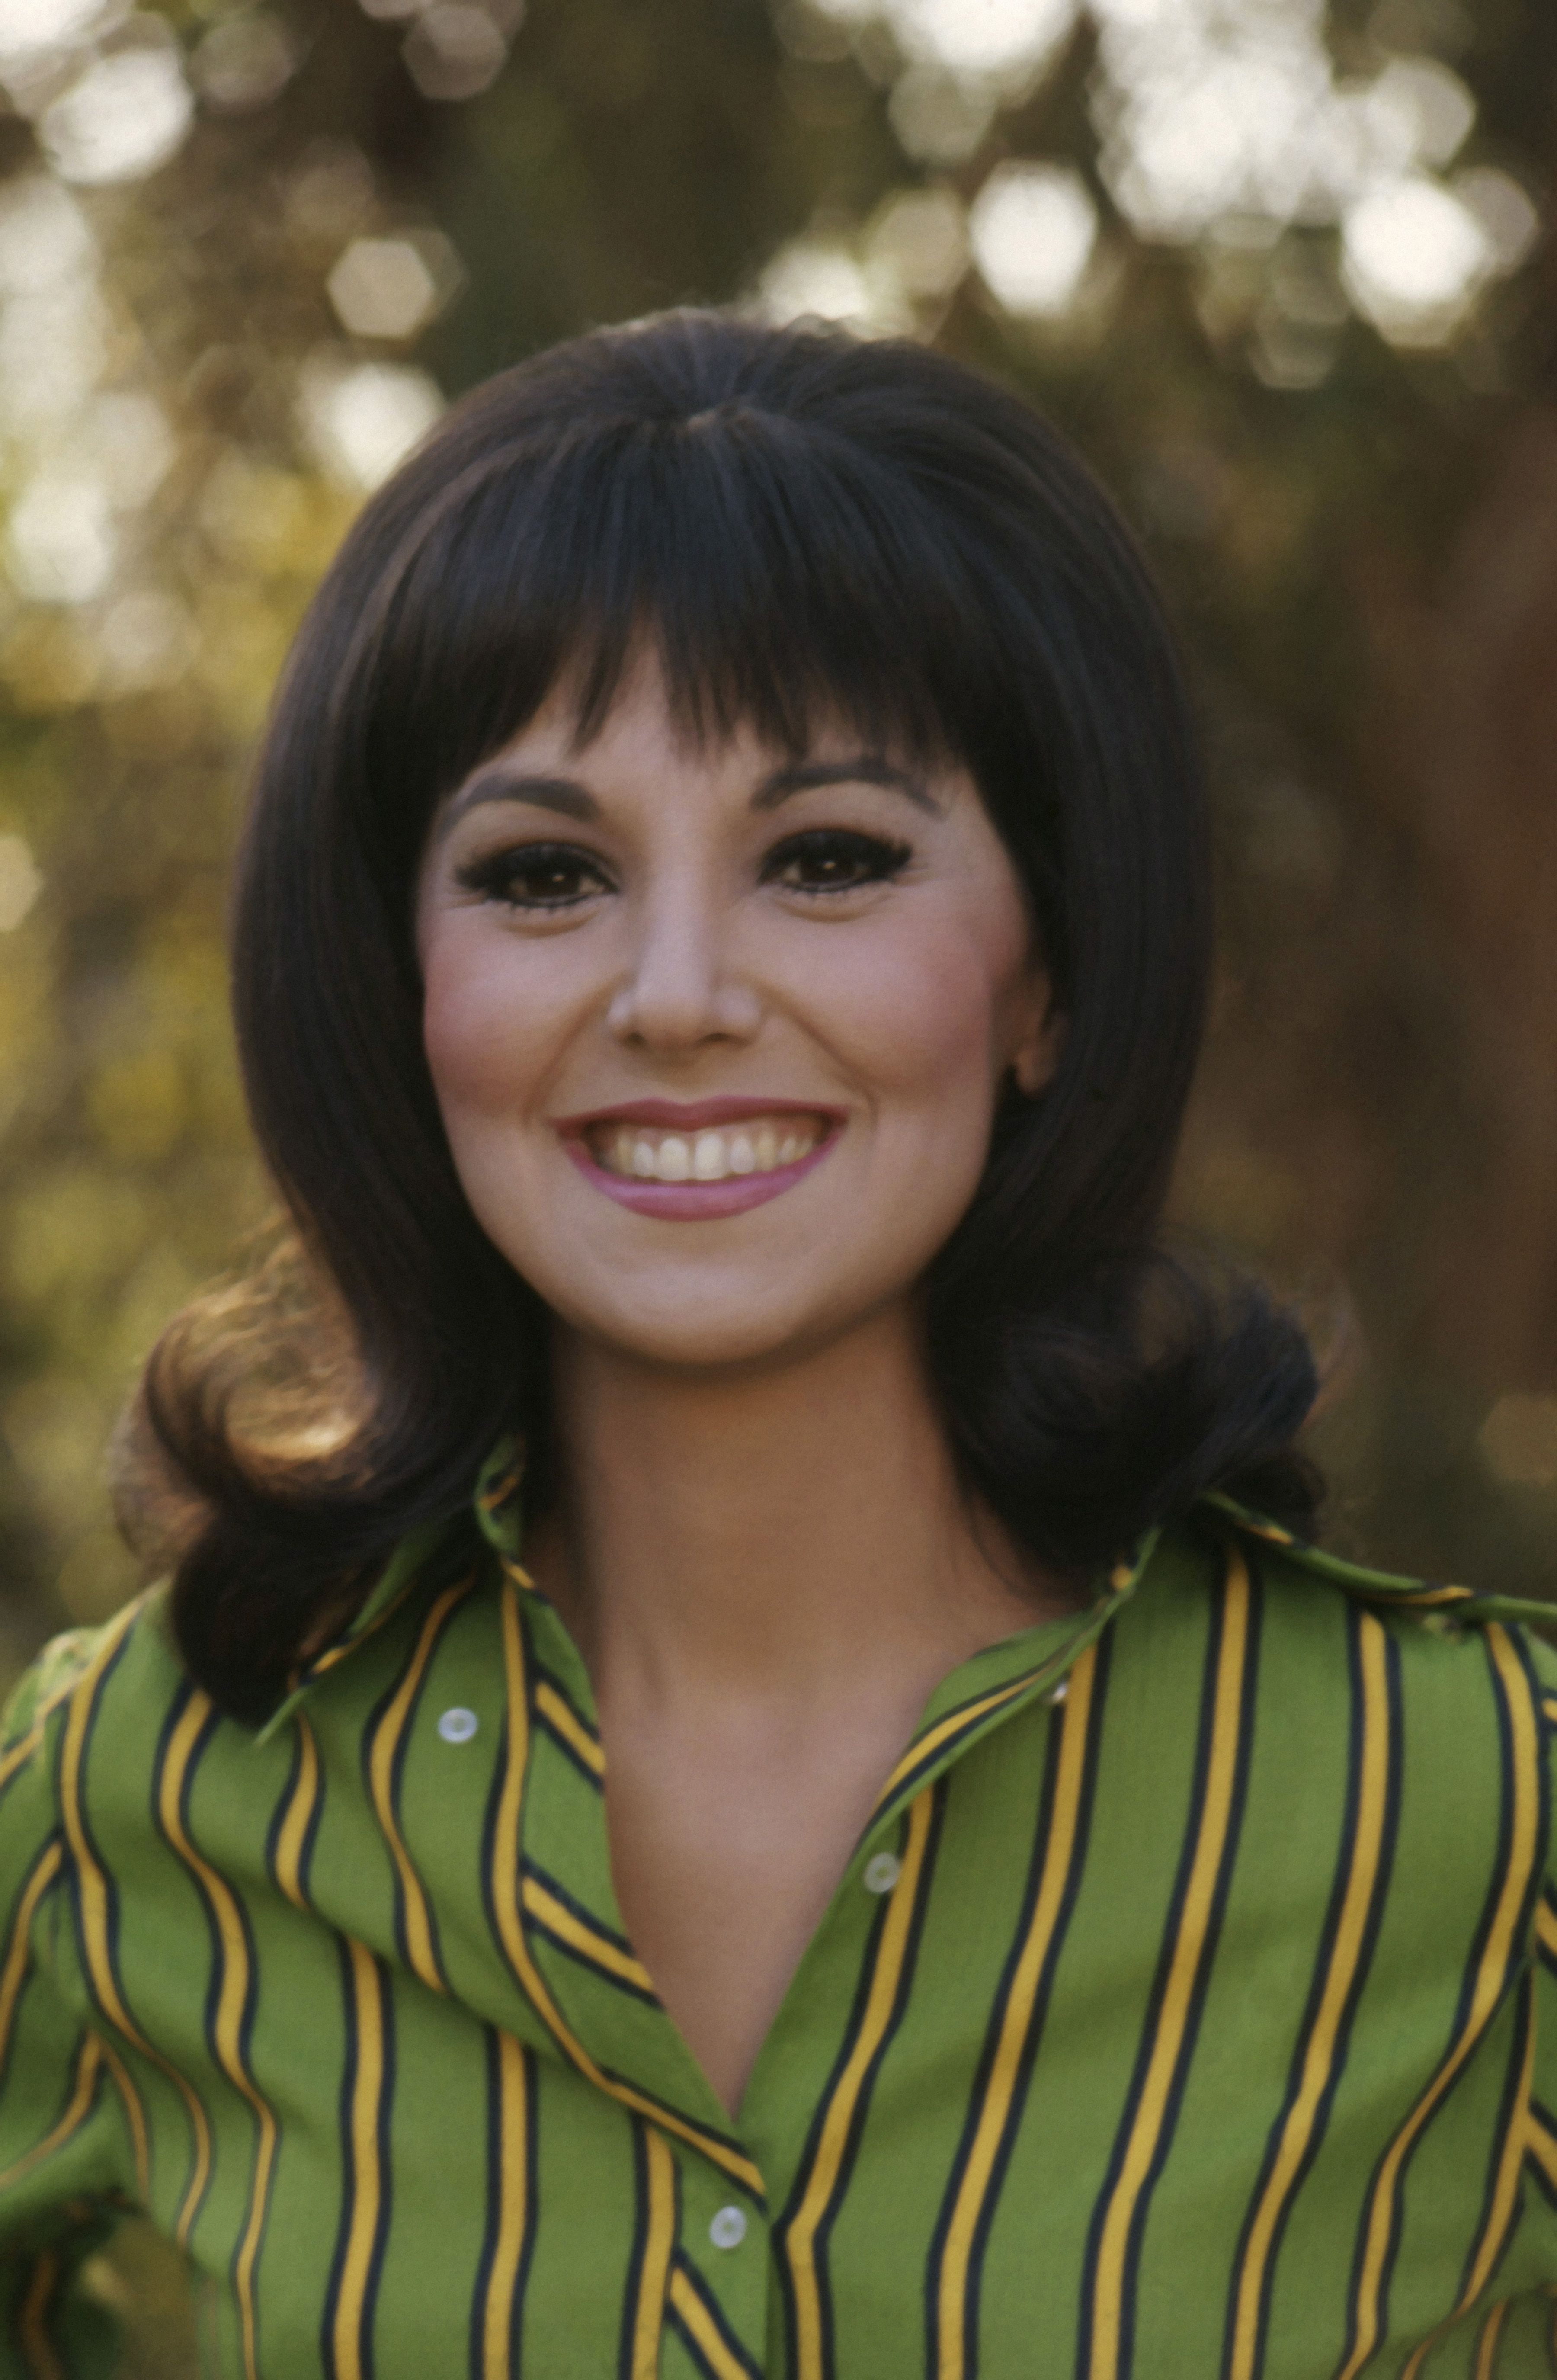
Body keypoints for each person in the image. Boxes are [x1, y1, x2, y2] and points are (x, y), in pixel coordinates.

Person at [1, 310, 1554, 2380]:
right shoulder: (119, 1804)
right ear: (396, 982)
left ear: (1051, 971)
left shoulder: (1488, 1809)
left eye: (829, 859)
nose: (675, 993)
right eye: (543, 874)